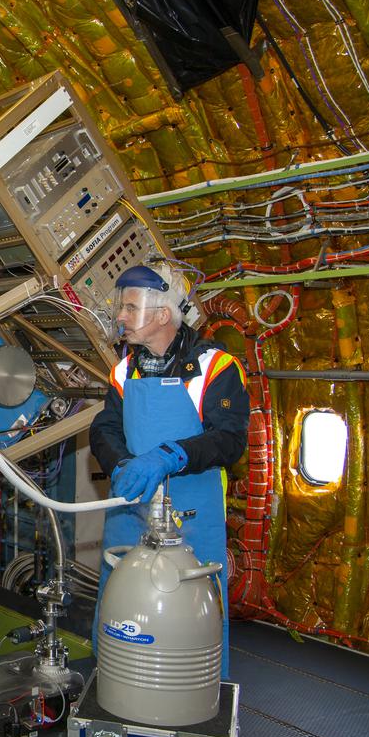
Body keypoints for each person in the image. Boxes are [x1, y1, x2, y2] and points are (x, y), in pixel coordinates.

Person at [88, 263, 248, 679]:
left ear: (163, 315)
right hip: (131, 509)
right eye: (120, 307)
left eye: (130, 307)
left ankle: (194, 694)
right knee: (121, 612)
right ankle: (113, 684)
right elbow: (106, 425)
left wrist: (168, 456)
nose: (120, 317)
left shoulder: (217, 367)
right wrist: (120, 462)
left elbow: (230, 439)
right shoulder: (125, 368)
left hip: (193, 517)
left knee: (192, 617)